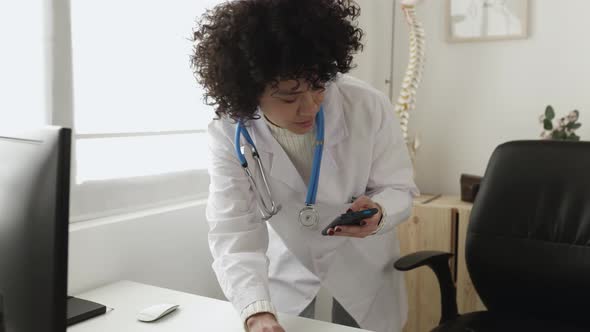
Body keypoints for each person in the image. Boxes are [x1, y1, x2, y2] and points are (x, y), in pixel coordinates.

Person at [191, 1, 418, 331]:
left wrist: (380, 211)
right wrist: (256, 311)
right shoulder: (229, 133)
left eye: (318, 86)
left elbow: (400, 188)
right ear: (249, 90)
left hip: (366, 278)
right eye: (288, 96)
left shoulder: (366, 106)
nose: (309, 107)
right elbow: (234, 230)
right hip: (291, 280)